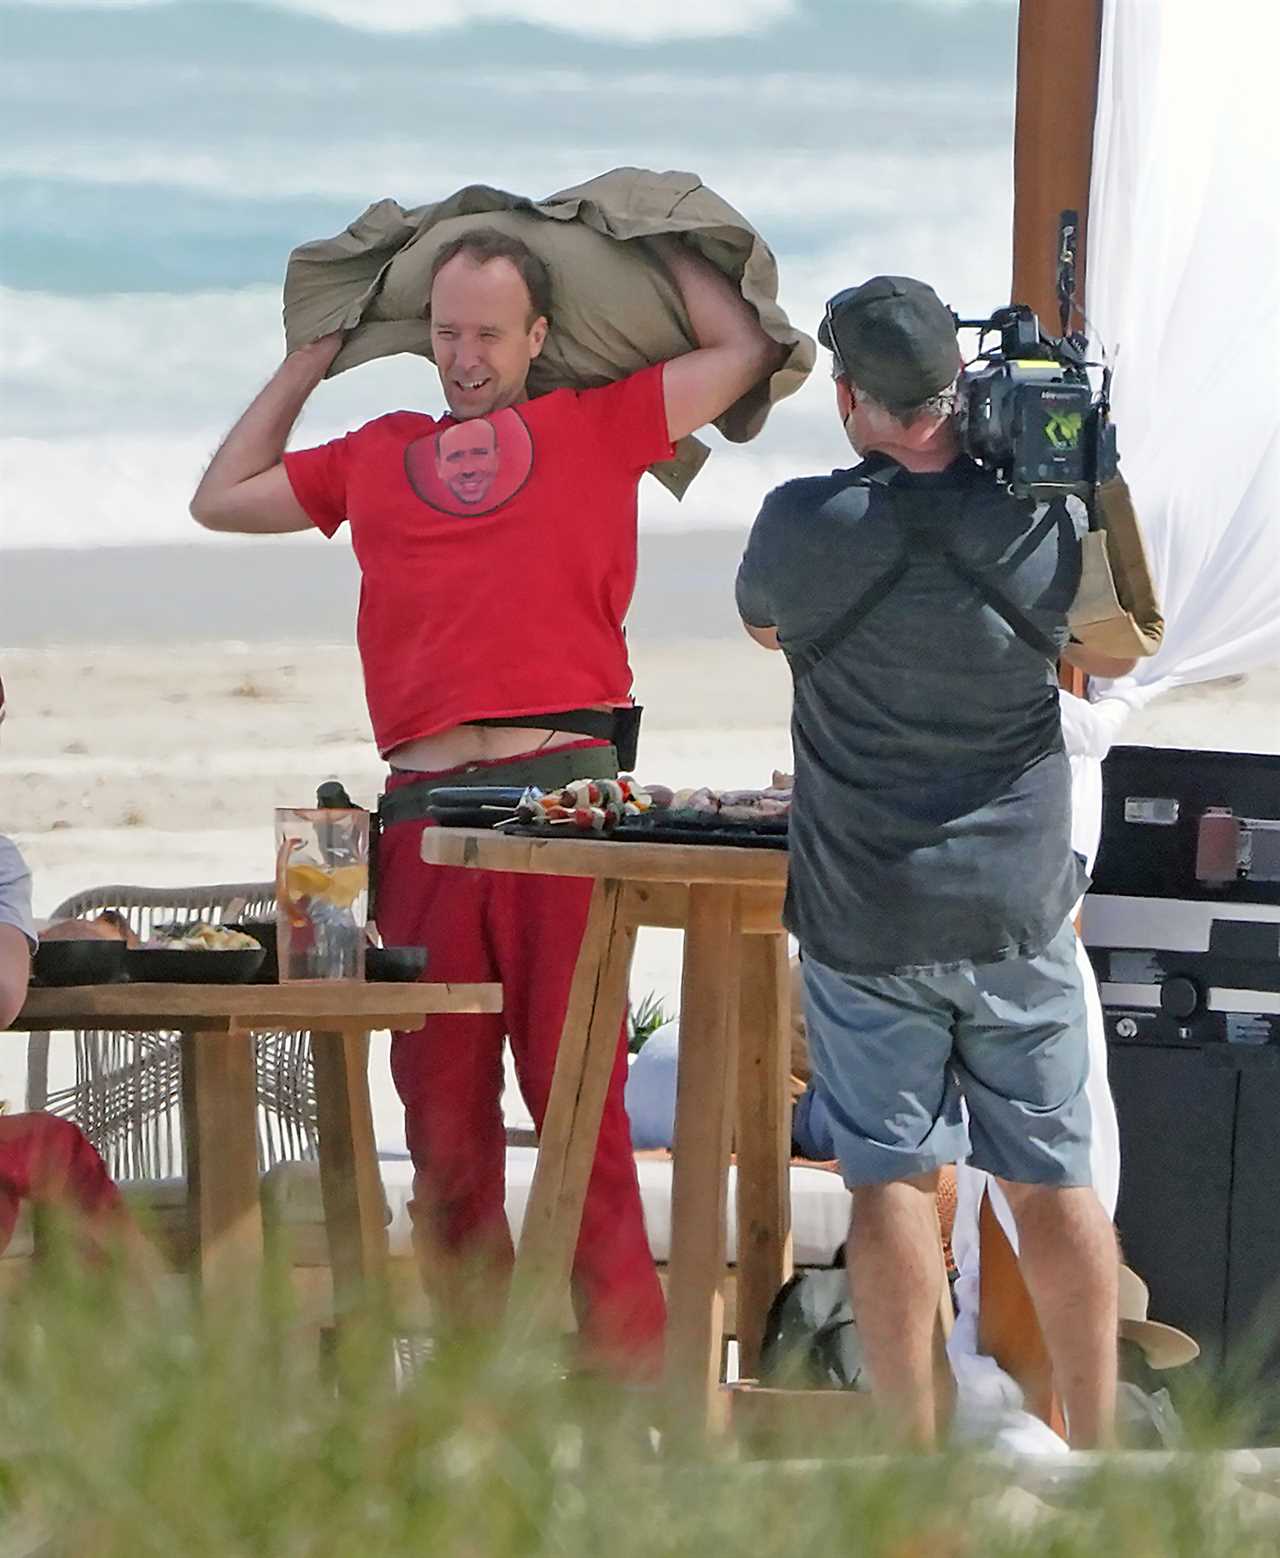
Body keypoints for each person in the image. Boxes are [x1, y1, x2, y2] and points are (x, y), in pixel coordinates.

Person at [190, 226, 782, 1375]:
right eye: (446, 332)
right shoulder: (376, 449)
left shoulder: (599, 421)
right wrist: (312, 356)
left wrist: (647, 238)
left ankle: (628, 1421)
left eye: (488, 335)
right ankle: (477, 1419)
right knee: (445, 1141)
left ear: (539, 338)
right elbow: (222, 497)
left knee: (584, 1128)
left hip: (563, 818)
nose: (464, 358)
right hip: (421, 827)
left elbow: (742, 347)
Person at [735, 276, 1123, 1447]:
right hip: (1012, 906)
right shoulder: (1042, 520)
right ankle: (1099, 1443)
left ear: (848, 397)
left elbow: (766, 627)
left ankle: (911, 1457)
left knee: (889, 1180)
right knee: (1050, 1177)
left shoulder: (802, 527)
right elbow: (1102, 627)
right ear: (959, 388)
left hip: (869, 910)